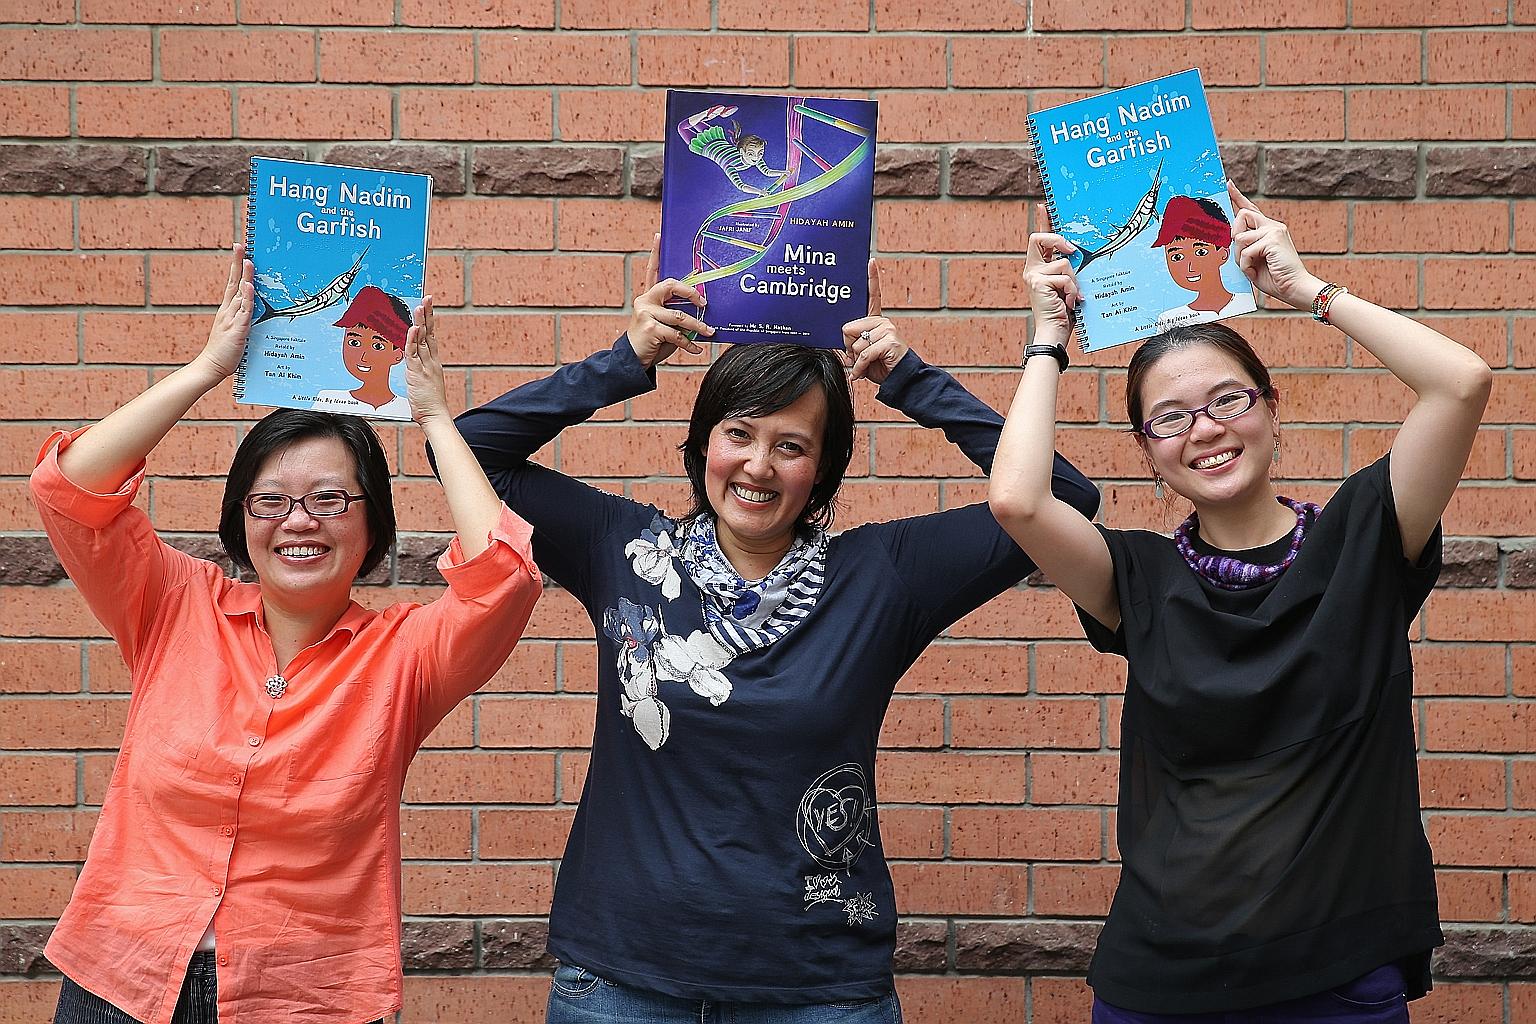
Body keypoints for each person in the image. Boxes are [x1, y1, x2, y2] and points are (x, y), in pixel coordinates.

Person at [451, 238, 1098, 1021]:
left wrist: (910, 381)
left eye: (790, 446)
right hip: (621, 986)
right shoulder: (624, 551)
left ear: (820, 471)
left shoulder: (882, 577)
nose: (758, 465)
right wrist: (625, 359)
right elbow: (466, 449)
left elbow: (1060, 496)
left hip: (817, 992)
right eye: (739, 433)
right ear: (701, 446)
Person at [988, 185, 1492, 1021]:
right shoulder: (1137, 578)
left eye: (1229, 399)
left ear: (1271, 410)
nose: (1207, 428)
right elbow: (1017, 501)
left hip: (1335, 982)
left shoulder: (1365, 538)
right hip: (1164, 985)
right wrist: (1049, 336)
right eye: (1171, 418)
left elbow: (1462, 383)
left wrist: (1306, 291)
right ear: (1150, 453)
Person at [32, 244, 542, 1024]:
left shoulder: (402, 658)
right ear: (241, 520)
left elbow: (503, 578)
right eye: (269, 500)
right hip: (120, 983)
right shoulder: (174, 604)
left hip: (305, 1002)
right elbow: (70, 490)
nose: (298, 522)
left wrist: (432, 410)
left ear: (371, 524)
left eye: (331, 499)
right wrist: (208, 366)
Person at [1151, 195, 1253, 332]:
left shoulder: (1245, 301)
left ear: (1223, 254)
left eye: (1200, 252)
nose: (1190, 267)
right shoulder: (1170, 319)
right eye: (1177, 257)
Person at [311, 284, 411, 418]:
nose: (363, 357)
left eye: (377, 346)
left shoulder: (406, 407)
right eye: (354, 342)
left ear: (398, 355)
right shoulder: (326, 400)